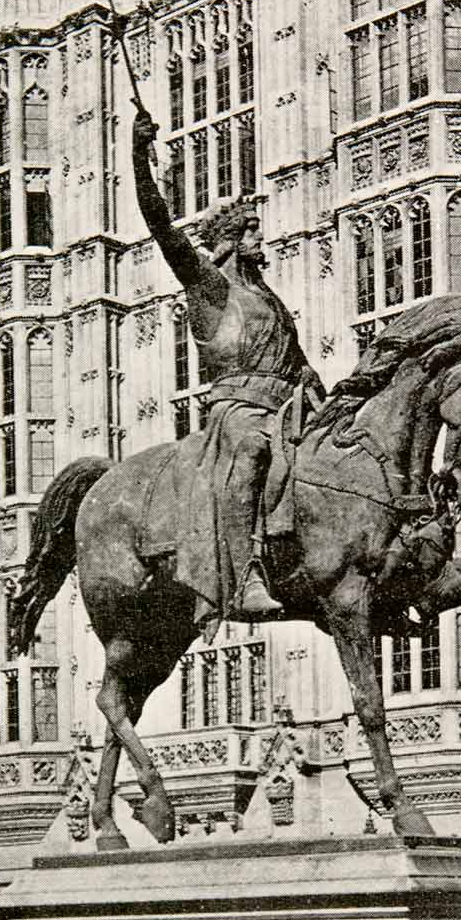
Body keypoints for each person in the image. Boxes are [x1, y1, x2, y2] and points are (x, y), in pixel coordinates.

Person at [132, 106, 326, 621]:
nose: (261, 240)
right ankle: (244, 578)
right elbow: (159, 222)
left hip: (289, 406)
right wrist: (138, 153)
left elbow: (301, 365)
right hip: (239, 412)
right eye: (253, 232)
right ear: (234, 239)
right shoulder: (209, 288)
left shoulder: (269, 300)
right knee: (250, 453)